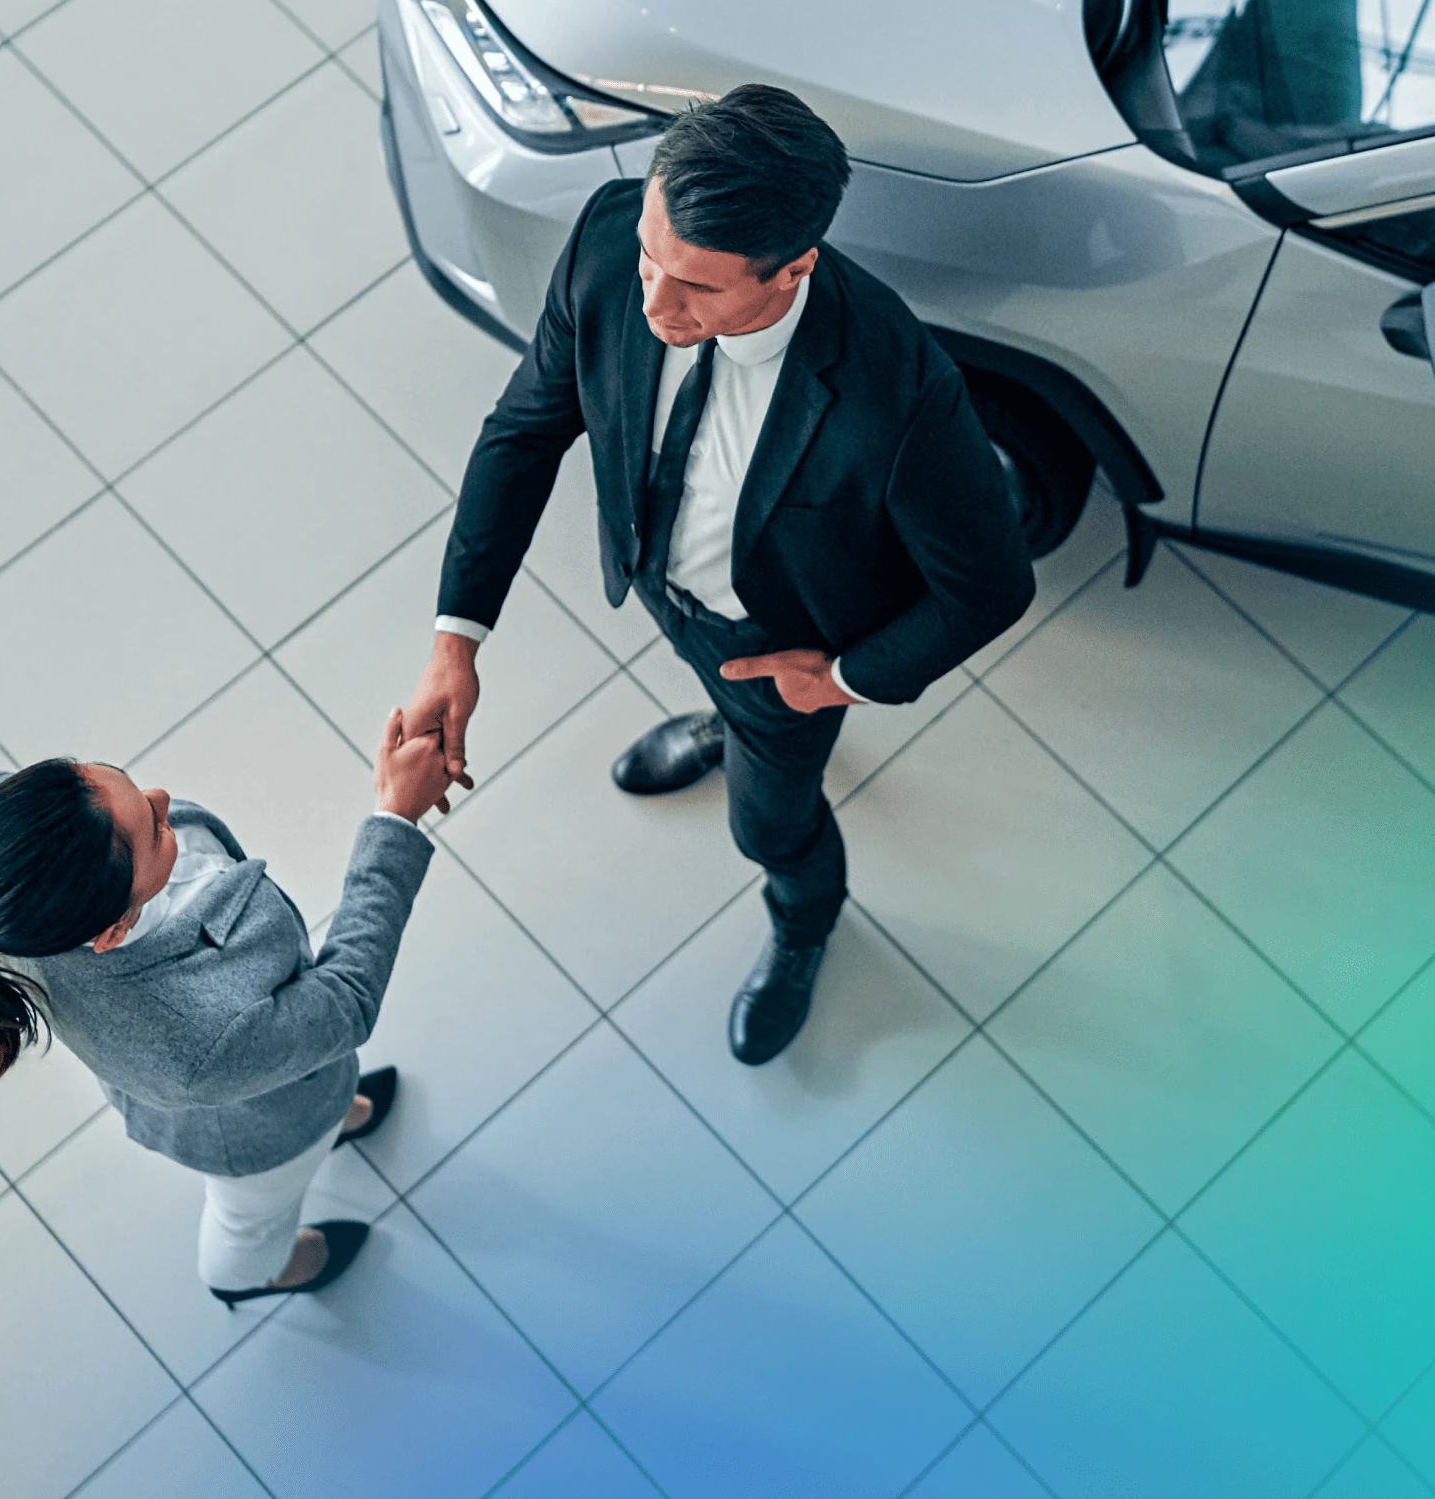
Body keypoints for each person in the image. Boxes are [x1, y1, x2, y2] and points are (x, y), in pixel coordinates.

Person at [407, 83, 1035, 1065]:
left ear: (793, 271)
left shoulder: (898, 390)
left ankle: (805, 922)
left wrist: (838, 679)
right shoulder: (620, 234)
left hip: (781, 647)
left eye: (696, 287)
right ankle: (723, 721)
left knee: (770, 823)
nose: (654, 302)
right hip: (671, 592)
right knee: (728, 704)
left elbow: (991, 587)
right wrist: (457, 645)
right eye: (655, 260)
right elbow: (529, 428)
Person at [0, 713, 450, 1305]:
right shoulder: (201, 1042)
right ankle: (248, 1274)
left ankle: (328, 1104)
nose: (162, 796)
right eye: (155, 830)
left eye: (121, 780)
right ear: (113, 932)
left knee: (306, 1078)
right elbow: (345, 999)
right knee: (251, 1214)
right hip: (253, 1135)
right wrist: (397, 818)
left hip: (248, 1067)